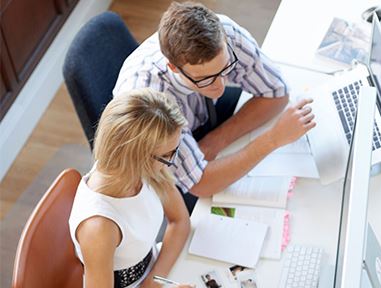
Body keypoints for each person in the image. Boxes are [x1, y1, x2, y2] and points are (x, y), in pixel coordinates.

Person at [113, 2, 316, 212]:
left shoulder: (224, 33)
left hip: (204, 122)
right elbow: (201, 183)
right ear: (173, 67)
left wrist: (215, 141)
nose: (220, 86)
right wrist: (272, 139)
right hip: (162, 156)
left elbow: (277, 93)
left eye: (224, 68)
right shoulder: (149, 97)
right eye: (205, 79)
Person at [69, 88, 195, 288]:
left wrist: (151, 287)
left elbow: (180, 222)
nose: (173, 160)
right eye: (168, 154)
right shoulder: (99, 226)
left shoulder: (146, 169)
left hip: (154, 279)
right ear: (135, 156)